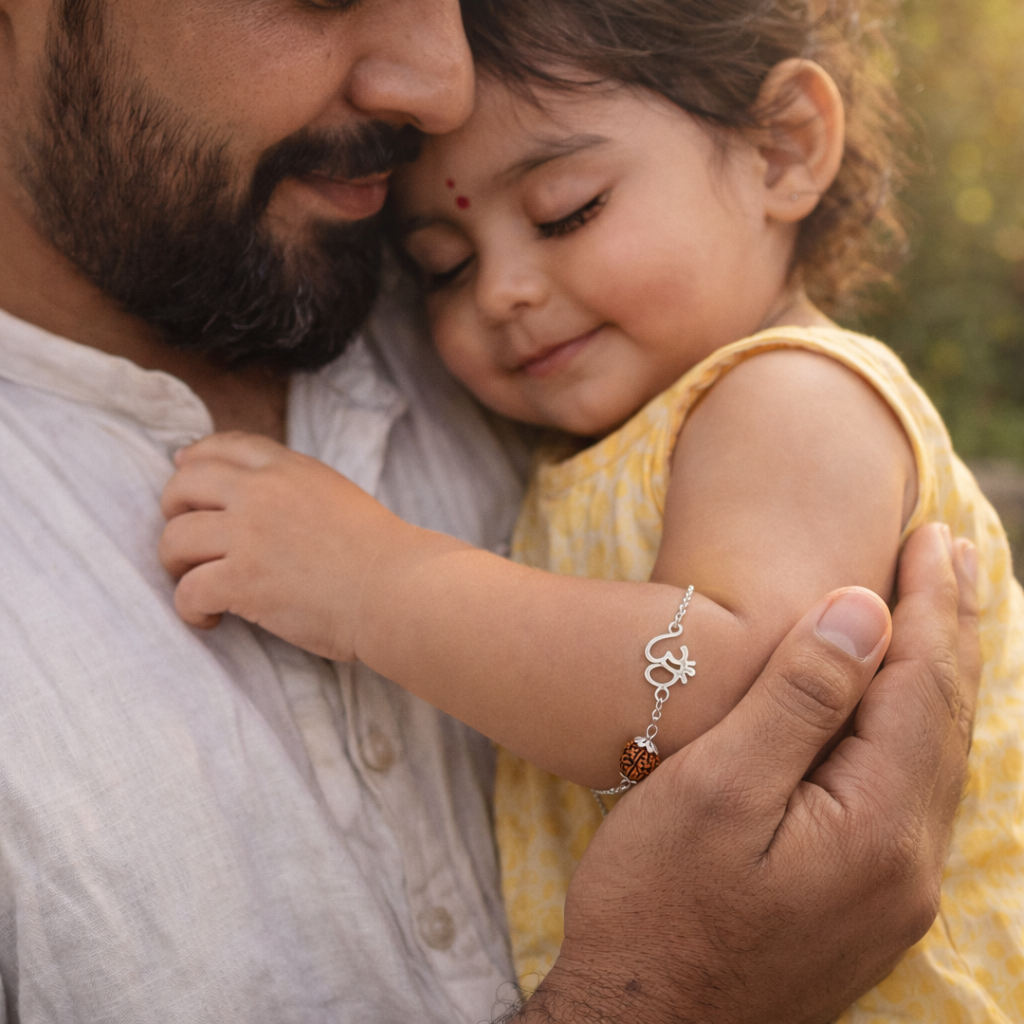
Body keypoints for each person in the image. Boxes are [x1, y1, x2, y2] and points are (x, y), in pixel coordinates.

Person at [0, 0, 981, 1021]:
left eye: (565, 211)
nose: (444, 81)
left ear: (783, 148)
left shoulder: (796, 398)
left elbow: (723, 693)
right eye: (446, 268)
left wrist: (376, 582)